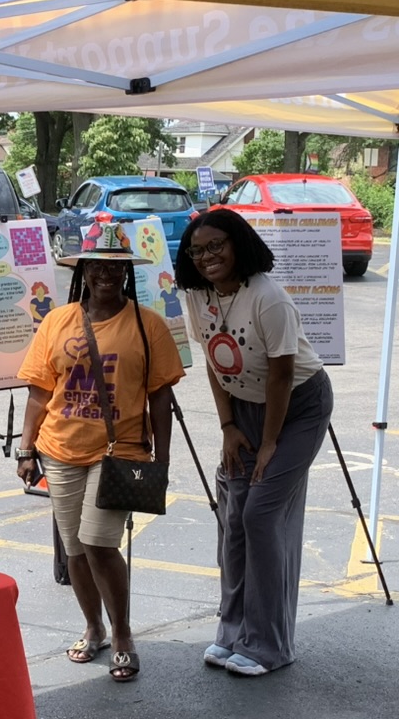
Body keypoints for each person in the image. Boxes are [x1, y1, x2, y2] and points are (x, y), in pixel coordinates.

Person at [16, 222, 184, 682]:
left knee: (98, 543)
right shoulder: (57, 320)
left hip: (122, 451)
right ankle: (93, 628)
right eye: (98, 266)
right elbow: (38, 391)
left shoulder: (148, 325)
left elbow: (161, 399)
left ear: (126, 272)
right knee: (74, 549)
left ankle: (123, 633)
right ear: (84, 270)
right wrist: (25, 449)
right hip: (60, 448)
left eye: (116, 267)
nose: (107, 275)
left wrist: (163, 462)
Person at [175, 209, 333, 677]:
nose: (207, 257)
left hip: (296, 407)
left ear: (238, 243)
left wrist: (269, 443)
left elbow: (282, 375)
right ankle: (233, 631)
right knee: (234, 516)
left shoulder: (269, 298)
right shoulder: (198, 295)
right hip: (242, 407)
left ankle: (270, 644)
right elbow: (212, 358)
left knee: (261, 514)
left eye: (216, 245)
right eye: (198, 250)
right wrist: (227, 427)